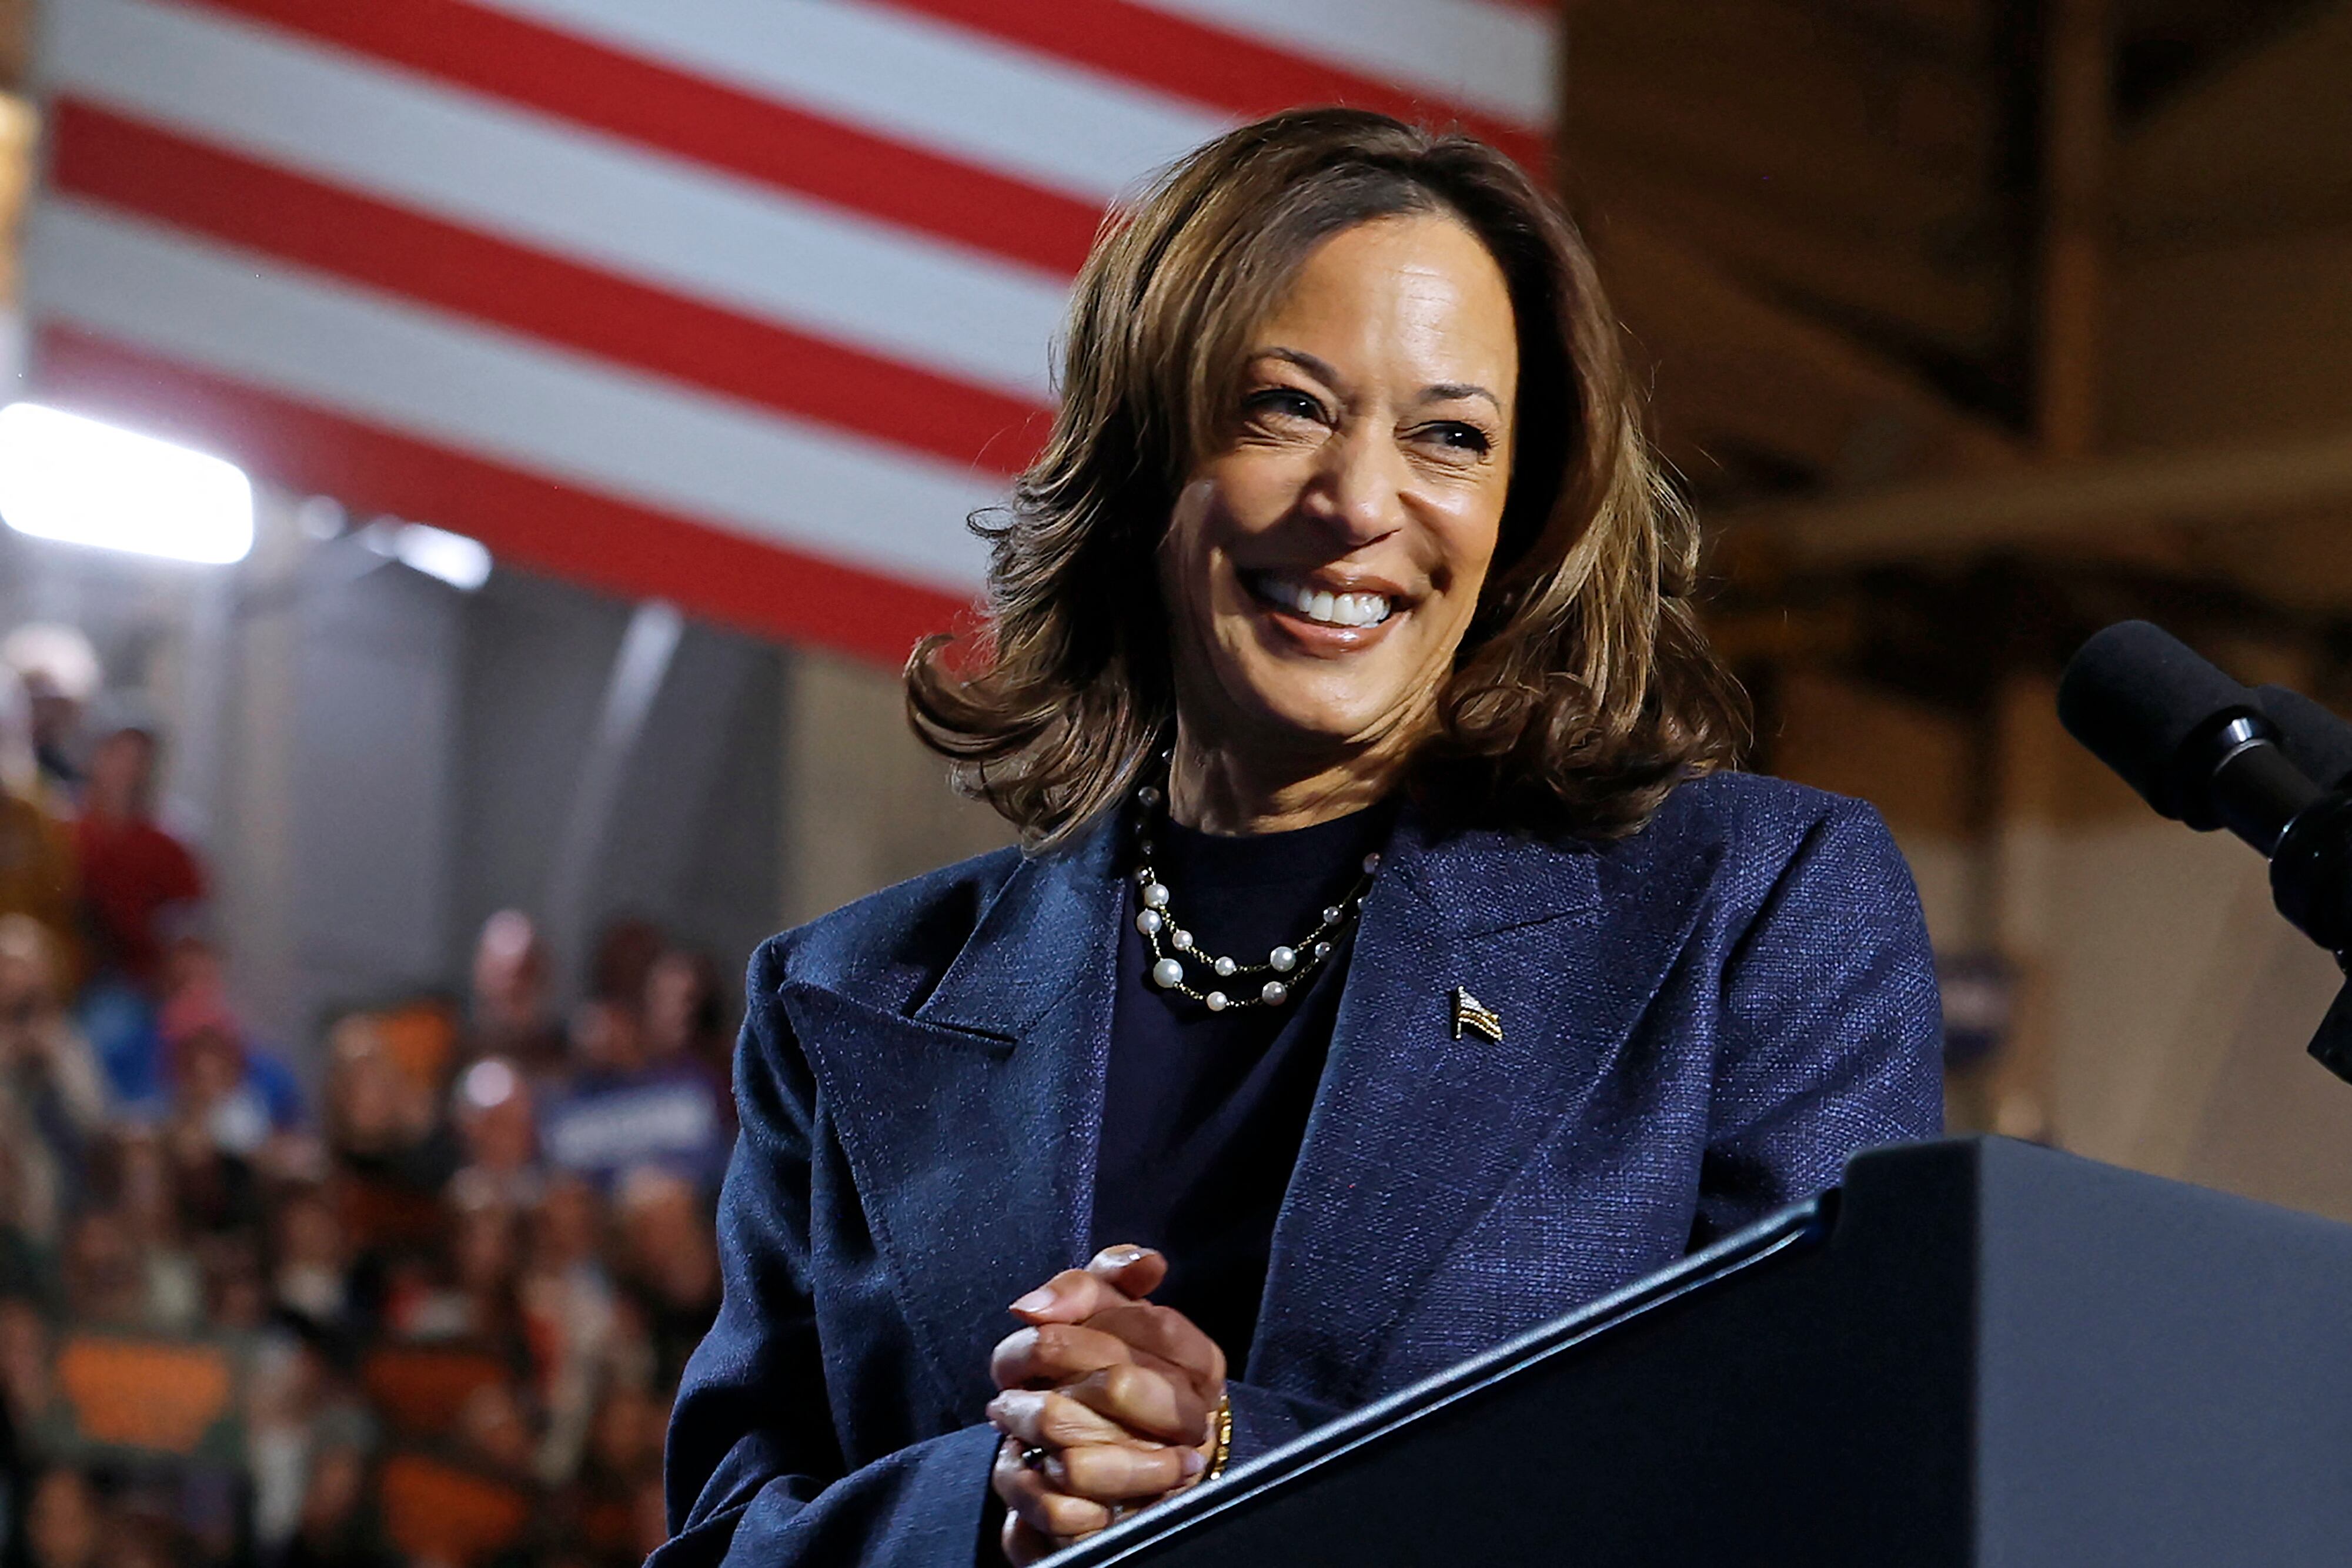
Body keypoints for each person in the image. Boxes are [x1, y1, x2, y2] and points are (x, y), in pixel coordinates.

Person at [657, 109, 1942, 1567]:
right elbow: (722, 1543)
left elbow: (1812, 1482)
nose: (1357, 504)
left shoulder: (1747, 909)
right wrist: (994, 1497)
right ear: (1143, 454)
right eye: (1285, 408)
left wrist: (1220, 1463)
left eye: (1448, 436)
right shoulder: (845, 997)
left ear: (1520, 510)